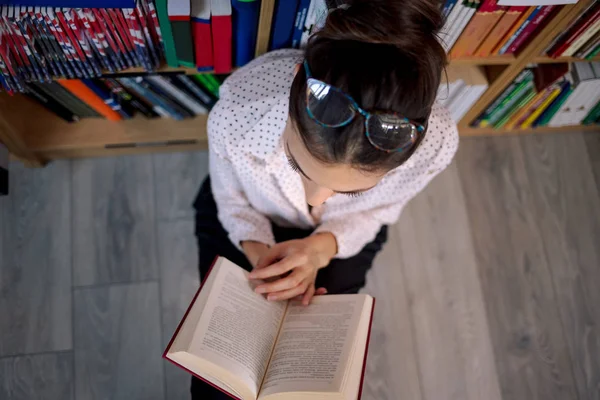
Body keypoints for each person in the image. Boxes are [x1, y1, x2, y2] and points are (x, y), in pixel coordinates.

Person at [191, 0, 458, 397]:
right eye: (300, 167)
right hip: (245, 220)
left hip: (346, 235)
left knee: (313, 377)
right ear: (298, 86)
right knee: (215, 382)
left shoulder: (434, 143)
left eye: (350, 190)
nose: (318, 201)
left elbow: (379, 211)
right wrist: (261, 254)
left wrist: (320, 249)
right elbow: (229, 201)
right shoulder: (239, 113)